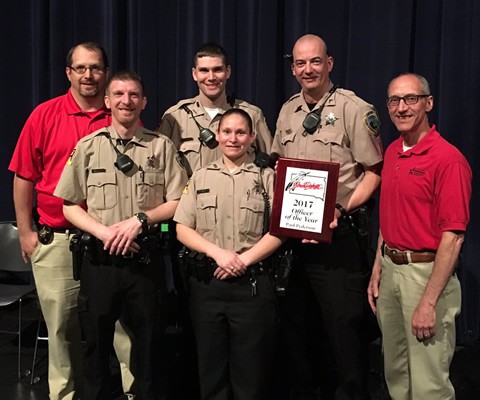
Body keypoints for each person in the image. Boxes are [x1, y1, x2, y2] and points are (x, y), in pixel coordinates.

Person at [8, 42, 134, 400]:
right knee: (61, 330)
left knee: (125, 330)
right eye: (80, 68)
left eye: (95, 68)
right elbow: (23, 175)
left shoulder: (122, 114)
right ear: (69, 73)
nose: (88, 75)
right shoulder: (45, 115)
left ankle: (133, 393)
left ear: (106, 72)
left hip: (112, 241)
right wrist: (26, 232)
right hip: (58, 240)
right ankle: (65, 396)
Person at [54, 70, 188, 399]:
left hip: (145, 261)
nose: (126, 101)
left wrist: (141, 220)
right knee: (95, 347)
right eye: (119, 95)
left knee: (149, 346)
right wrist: (102, 231)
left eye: (133, 95)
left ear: (143, 102)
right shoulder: (87, 147)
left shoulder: (162, 147)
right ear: (107, 101)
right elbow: (69, 206)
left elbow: (179, 199)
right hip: (100, 263)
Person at [271, 34, 383, 399]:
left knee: (343, 331)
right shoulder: (288, 110)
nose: (308, 69)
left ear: (329, 63)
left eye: (315, 61)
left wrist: (339, 208)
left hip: (338, 240)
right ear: (293, 69)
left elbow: (374, 171)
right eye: (301, 63)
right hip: (292, 242)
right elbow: (278, 167)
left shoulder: (353, 108)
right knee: (298, 331)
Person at [367, 73, 472, 399]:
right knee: (396, 373)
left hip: (425, 276)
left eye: (410, 99)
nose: (401, 107)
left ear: (428, 103)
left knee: (429, 383)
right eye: (394, 101)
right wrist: (378, 267)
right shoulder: (394, 152)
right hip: (391, 270)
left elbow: (453, 237)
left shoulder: (448, 160)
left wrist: (428, 302)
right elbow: (390, 215)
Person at [174, 108, 283, 400]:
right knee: (211, 372)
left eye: (240, 133)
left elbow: (280, 230)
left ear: (252, 137)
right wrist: (218, 254)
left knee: (251, 374)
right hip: (208, 285)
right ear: (217, 136)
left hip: (252, 287)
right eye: (226, 132)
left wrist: (242, 260)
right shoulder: (200, 176)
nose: (232, 139)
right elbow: (182, 228)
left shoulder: (268, 177)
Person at [157, 42, 273, 172]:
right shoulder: (175, 117)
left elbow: (271, 164)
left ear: (227, 71)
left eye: (217, 70)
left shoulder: (252, 115)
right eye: (204, 70)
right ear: (194, 74)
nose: (211, 77)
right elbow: (160, 169)